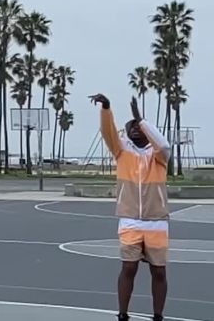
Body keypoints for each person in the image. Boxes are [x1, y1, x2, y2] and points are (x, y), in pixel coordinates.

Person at [91, 93, 169, 321]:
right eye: (130, 128)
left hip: (156, 221)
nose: (134, 130)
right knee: (128, 268)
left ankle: (158, 315)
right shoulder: (122, 152)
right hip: (130, 220)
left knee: (159, 271)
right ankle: (123, 314)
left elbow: (163, 143)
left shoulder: (159, 156)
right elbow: (108, 133)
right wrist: (106, 108)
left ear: (146, 130)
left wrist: (140, 118)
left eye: (138, 127)